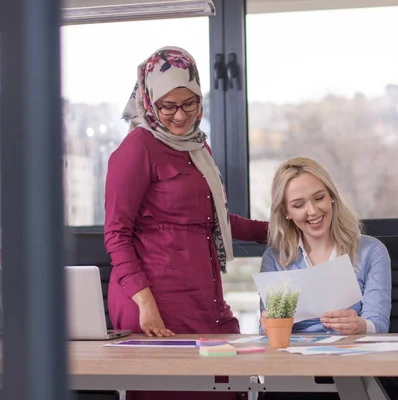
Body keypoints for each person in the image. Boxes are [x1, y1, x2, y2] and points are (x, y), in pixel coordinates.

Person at [104, 46, 268, 400]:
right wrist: (146, 304)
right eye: (168, 105)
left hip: (200, 296)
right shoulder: (137, 148)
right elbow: (116, 234)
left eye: (189, 103)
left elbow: (215, 221)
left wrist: (276, 231)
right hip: (154, 301)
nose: (180, 116)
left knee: (225, 386)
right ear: (149, 101)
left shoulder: (196, 148)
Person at [258, 157, 392, 400]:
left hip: (351, 371)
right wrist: (269, 323)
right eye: (298, 205)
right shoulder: (275, 258)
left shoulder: (371, 252)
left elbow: (378, 323)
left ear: (332, 196)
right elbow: (265, 329)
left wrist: (361, 325)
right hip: (294, 374)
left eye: (319, 198)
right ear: (286, 212)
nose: (313, 211)